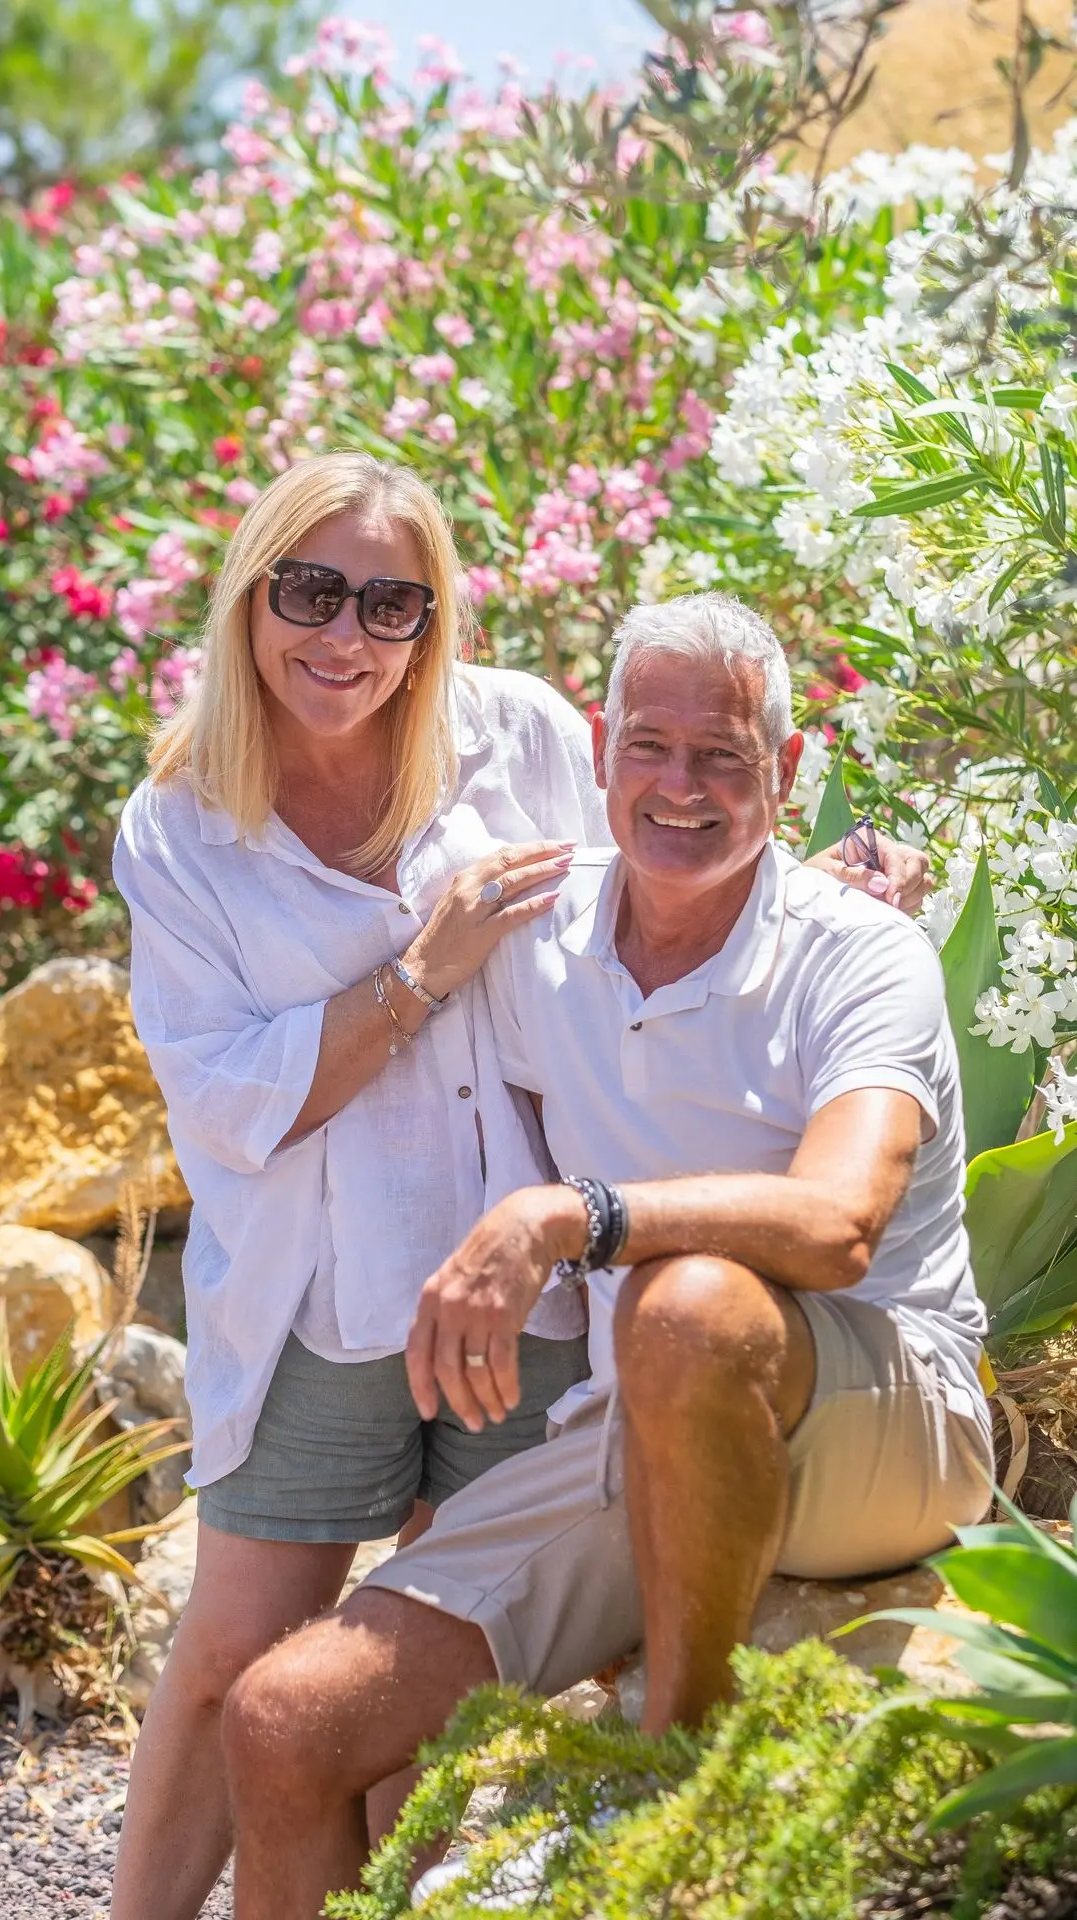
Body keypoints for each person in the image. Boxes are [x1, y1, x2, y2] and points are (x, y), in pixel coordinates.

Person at [218, 592, 991, 1920]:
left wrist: (568, 1217)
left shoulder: (861, 955)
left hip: (888, 1419)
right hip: (652, 1422)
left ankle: (673, 1793)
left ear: (785, 770)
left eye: (723, 756)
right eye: (649, 746)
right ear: (597, 749)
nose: (679, 787)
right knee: (285, 1722)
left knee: (687, 1307)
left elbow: (838, 1222)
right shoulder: (540, 934)